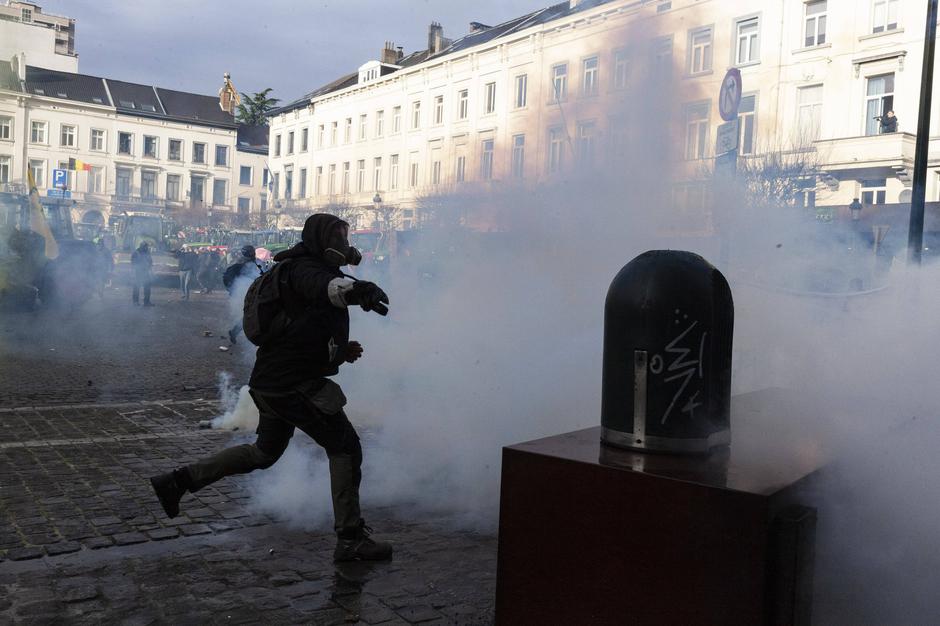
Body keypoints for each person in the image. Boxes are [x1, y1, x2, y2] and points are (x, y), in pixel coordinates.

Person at [149, 214, 391, 562]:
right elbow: (328, 289)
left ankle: (178, 481)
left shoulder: (297, 269)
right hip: (293, 386)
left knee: (264, 453)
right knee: (346, 448)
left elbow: (302, 332)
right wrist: (360, 289)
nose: (345, 244)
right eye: (339, 236)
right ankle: (351, 539)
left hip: (271, 382)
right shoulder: (305, 269)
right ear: (321, 239)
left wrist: (339, 351)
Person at [222, 244, 262, 344]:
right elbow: (228, 279)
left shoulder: (254, 264)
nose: (253, 255)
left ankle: (235, 332)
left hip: (254, 293)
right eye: (251, 253)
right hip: (245, 294)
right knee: (251, 315)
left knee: (251, 315)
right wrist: (233, 290)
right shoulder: (239, 265)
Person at [130, 242, 153, 306]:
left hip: (146, 272)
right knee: (137, 287)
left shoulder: (147, 252)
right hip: (138, 273)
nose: (147, 248)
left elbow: (150, 261)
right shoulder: (136, 253)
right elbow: (133, 262)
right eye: (145, 246)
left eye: (147, 246)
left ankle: (147, 301)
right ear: (142, 246)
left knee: (147, 287)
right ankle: (135, 302)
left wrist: (150, 268)